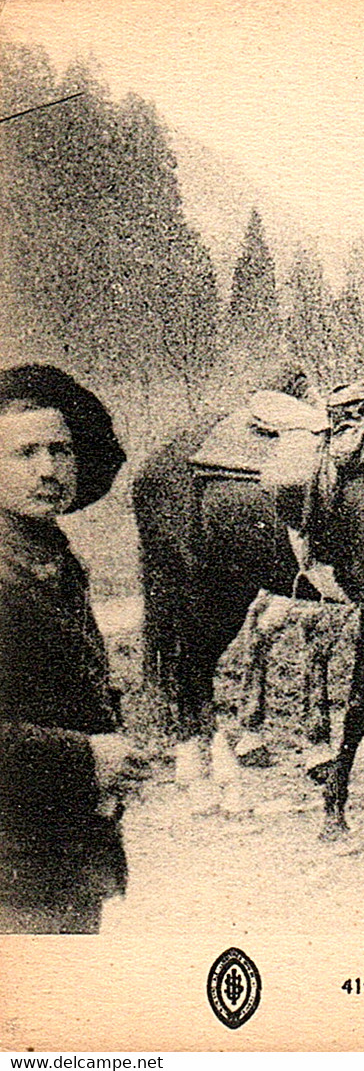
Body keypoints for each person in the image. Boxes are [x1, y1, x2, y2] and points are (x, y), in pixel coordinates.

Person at [0, 364, 133, 933]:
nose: (49, 469)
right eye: (25, 454)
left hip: (62, 853)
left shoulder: (46, 550)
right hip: (15, 872)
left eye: (60, 450)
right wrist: (89, 758)